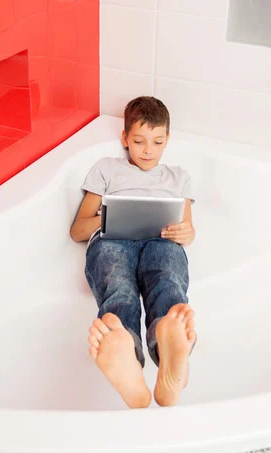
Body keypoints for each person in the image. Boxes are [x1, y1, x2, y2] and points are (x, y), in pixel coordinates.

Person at [70, 96, 197, 409]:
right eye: (139, 141)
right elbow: (78, 230)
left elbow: (188, 231)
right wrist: (110, 217)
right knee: (118, 284)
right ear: (125, 138)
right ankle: (124, 349)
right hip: (114, 237)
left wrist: (185, 232)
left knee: (166, 277)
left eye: (157, 142)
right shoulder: (108, 169)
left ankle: (169, 343)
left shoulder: (178, 177)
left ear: (168, 139)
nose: (148, 150)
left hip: (161, 240)